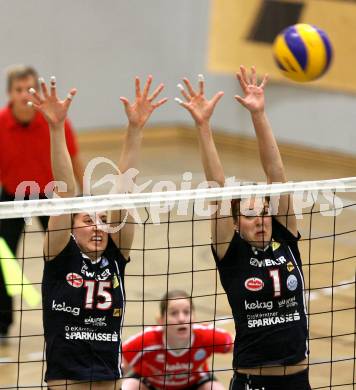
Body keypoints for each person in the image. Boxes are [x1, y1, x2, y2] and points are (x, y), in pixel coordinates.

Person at [176, 67, 311, 389]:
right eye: (250, 215)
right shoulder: (231, 252)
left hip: (299, 379)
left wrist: (259, 114)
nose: (261, 219)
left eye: (265, 212)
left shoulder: (285, 239)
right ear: (236, 223)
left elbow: (276, 173)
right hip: (254, 380)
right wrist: (203, 126)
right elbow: (217, 187)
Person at [31, 75, 167, 389]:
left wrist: (135, 129)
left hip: (108, 376)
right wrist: (56, 128)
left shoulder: (115, 256)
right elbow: (65, 193)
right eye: (88, 221)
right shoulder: (59, 255)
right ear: (71, 228)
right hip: (67, 379)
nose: (98, 227)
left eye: (103, 220)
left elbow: (125, 192)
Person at [0, 65, 84, 342]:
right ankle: (2, 324)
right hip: (12, 198)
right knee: (3, 261)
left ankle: (72, 314)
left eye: (29, 89)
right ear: (10, 94)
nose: (25, 95)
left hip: (51, 198)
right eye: (18, 90)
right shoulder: (1, 123)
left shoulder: (54, 121)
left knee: (67, 256)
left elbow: (74, 161)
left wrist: (79, 201)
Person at [122, 290, 233, 390]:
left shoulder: (207, 336)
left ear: (194, 317)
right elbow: (118, 366)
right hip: (151, 383)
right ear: (160, 320)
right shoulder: (146, 340)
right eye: (174, 313)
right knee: (127, 386)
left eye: (186, 312)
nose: (181, 319)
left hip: (195, 383)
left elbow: (240, 346)